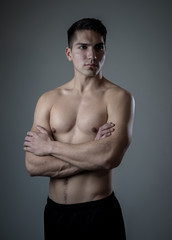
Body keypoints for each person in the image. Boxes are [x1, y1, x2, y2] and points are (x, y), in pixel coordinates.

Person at [24, 18, 135, 239]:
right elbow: (33, 165)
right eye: (83, 47)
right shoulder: (48, 99)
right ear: (69, 53)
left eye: (99, 47)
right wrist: (93, 149)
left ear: (105, 51)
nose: (92, 56)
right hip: (56, 213)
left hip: (98, 213)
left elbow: (109, 158)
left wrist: (50, 146)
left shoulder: (119, 97)